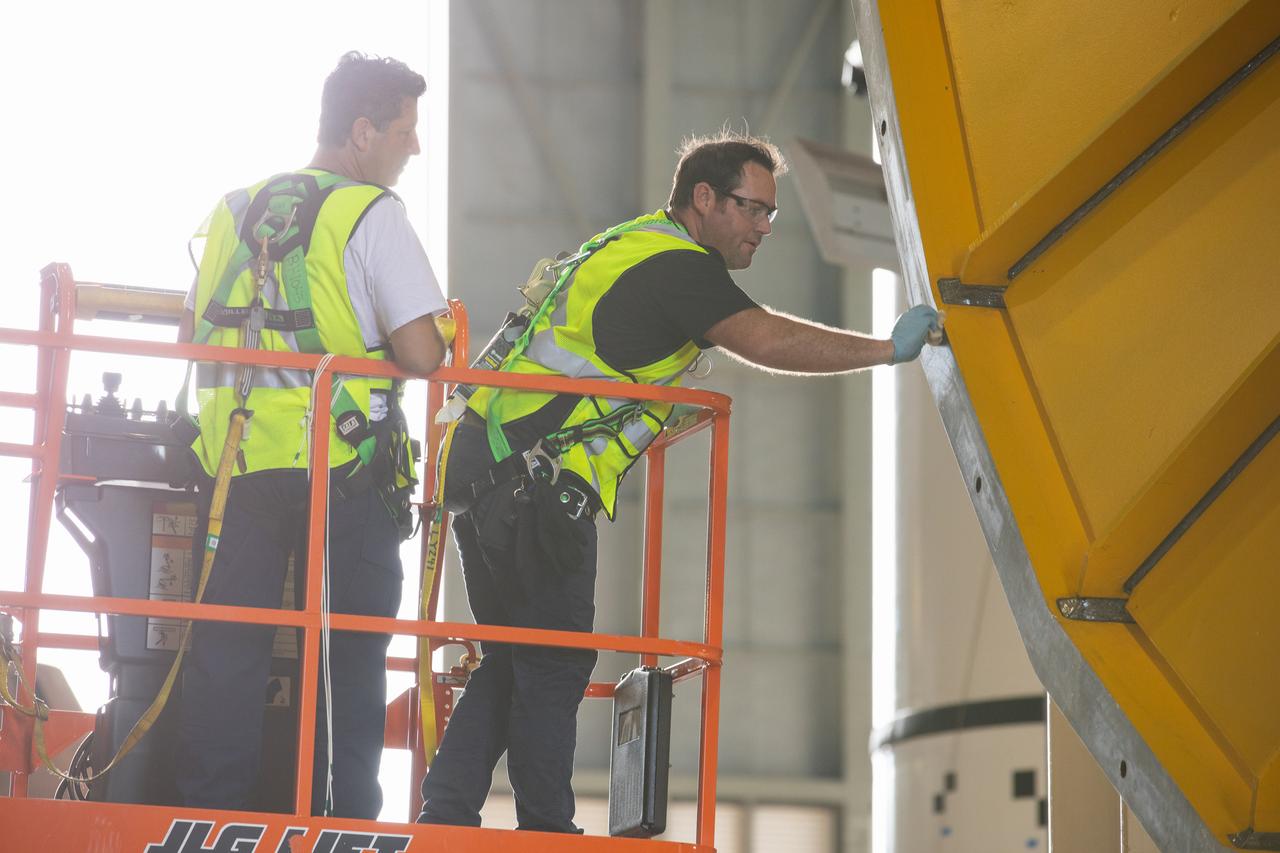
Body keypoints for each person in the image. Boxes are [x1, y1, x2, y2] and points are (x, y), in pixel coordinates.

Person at [416, 130, 940, 832]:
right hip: (538, 487)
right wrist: (884, 349)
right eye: (754, 209)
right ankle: (545, 831)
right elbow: (767, 340)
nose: (763, 228)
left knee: (512, 658)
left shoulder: (629, 243)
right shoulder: (680, 268)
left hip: (489, 471)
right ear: (704, 198)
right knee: (555, 664)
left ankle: (446, 813)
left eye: (770, 215)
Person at [175, 51, 447, 819]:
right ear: (363, 133)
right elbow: (423, 352)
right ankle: (337, 822)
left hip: (238, 466)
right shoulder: (370, 211)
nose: (413, 147)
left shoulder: (233, 210)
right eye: (405, 130)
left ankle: (211, 813)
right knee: (349, 655)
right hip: (345, 467)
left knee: (228, 647)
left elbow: (189, 329)